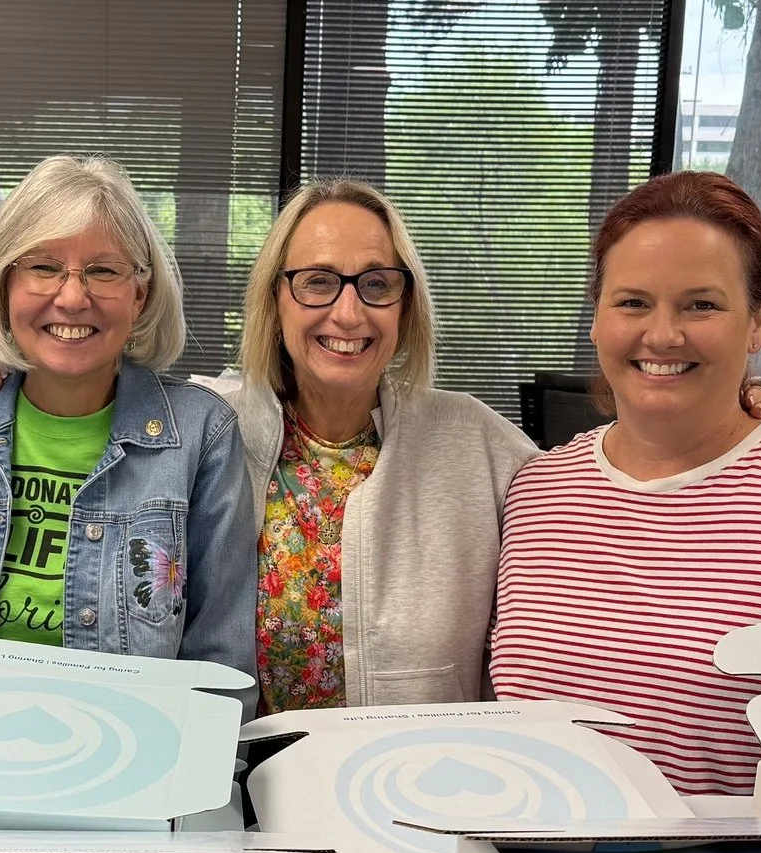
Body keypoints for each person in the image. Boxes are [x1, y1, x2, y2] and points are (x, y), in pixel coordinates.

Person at [490, 170, 761, 795]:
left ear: (758, 321)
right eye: (633, 302)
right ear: (596, 317)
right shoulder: (538, 490)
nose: (663, 334)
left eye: (701, 304)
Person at [0, 156, 254, 685]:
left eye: (103, 270)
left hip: (130, 751)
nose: (71, 298)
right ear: (5, 286)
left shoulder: (201, 438)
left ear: (141, 294)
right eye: (43, 267)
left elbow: (219, 661)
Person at [225, 180, 534, 711]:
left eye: (376, 284)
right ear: (275, 301)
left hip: (416, 780)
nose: (348, 313)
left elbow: (592, 502)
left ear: (405, 305)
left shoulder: (478, 446)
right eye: (318, 282)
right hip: (243, 780)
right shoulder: (216, 431)